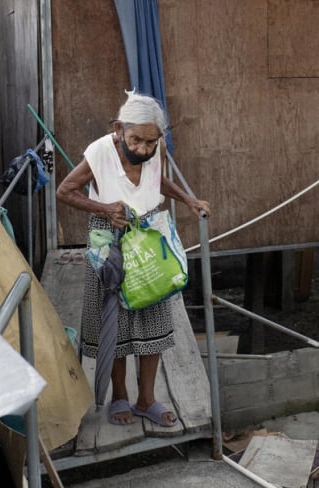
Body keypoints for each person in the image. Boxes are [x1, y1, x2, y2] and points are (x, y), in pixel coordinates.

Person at [56, 91, 211, 427]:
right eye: (136, 140)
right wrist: (105, 208)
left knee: (153, 316)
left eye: (150, 142)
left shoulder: (156, 150)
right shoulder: (99, 152)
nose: (142, 149)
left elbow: (158, 179)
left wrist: (188, 199)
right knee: (114, 320)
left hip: (147, 234)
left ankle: (146, 400)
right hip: (108, 237)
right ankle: (120, 397)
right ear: (118, 129)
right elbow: (64, 191)